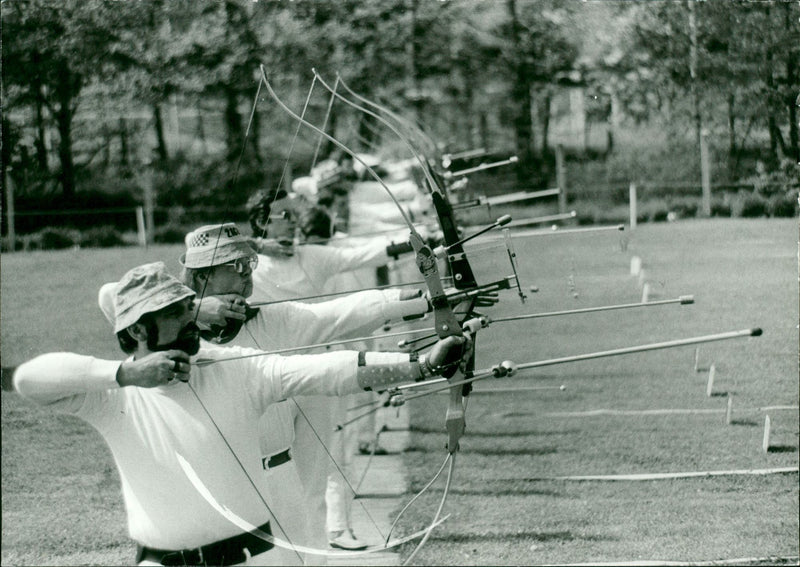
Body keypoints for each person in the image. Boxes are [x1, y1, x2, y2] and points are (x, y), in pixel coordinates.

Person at [13, 262, 466, 567]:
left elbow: (326, 370)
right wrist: (125, 375)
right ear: (137, 330)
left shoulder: (237, 367)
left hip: (253, 559)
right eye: (172, 313)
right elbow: (28, 379)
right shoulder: (110, 395)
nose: (188, 318)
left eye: (187, 306)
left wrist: (421, 365)